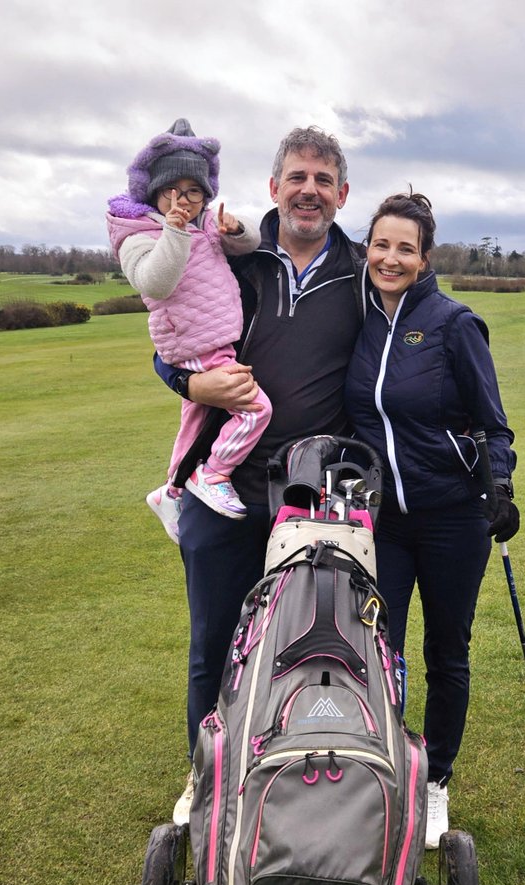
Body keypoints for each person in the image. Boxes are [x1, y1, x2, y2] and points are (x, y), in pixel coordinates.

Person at [153, 126, 366, 819]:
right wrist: (186, 386)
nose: (309, 191)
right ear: (274, 188)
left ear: (341, 194)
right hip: (222, 492)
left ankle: (295, 778)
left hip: (313, 498)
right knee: (214, 643)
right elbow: (171, 332)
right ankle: (207, 776)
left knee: (306, 648)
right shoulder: (231, 253)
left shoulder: (363, 272)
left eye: (323, 180)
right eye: (297, 177)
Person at [344, 191, 518, 848]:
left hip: (451, 520)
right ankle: (385, 764)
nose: (390, 258)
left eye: (405, 248)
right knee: (378, 649)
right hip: (383, 522)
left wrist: (499, 484)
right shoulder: (360, 320)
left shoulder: (453, 323)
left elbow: (495, 425)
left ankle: (435, 780)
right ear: (369, 248)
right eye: (381, 245)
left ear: (424, 257)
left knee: (448, 652)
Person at [107, 118, 268, 534]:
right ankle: (212, 474)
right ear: (156, 192)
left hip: (210, 336)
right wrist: (175, 231)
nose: (184, 200)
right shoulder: (138, 233)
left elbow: (250, 242)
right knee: (256, 410)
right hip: (193, 340)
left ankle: (172, 491)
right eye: (173, 191)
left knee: (195, 421)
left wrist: (237, 229)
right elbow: (156, 282)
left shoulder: (205, 225)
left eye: (194, 191)